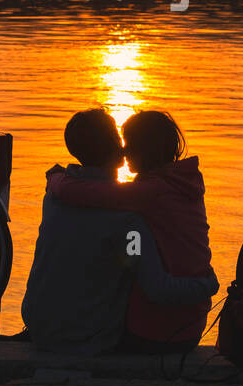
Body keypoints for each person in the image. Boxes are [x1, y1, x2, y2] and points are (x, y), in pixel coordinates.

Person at [19, 109, 217, 355]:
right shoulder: (153, 201)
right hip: (114, 335)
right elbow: (158, 287)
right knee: (127, 262)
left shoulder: (56, 198)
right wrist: (207, 285)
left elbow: (84, 193)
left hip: (40, 326)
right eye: (121, 140)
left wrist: (55, 179)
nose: (125, 148)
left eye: (129, 143)